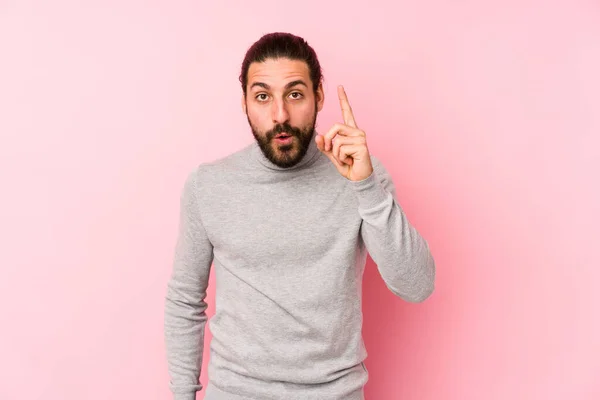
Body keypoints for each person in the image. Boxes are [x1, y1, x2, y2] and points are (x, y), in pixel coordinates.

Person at [164, 32, 435, 400]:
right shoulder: (208, 185)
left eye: (295, 94)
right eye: (263, 96)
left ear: (318, 95)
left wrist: (367, 187)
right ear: (245, 102)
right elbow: (185, 300)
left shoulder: (361, 176)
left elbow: (417, 285)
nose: (280, 116)